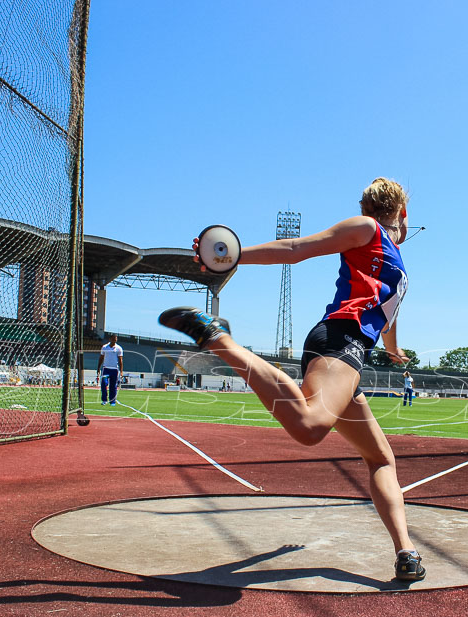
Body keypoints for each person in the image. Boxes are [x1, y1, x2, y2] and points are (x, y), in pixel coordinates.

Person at [159, 177, 425, 582]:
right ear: (402, 214)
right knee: (309, 426)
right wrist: (232, 255)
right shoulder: (367, 229)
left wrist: (393, 350)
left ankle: (406, 552)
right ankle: (219, 339)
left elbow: (387, 318)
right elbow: (295, 249)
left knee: (380, 458)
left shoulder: (396, 263)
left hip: (352, 356)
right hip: (338, 341)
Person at [98, 333, 124, 406]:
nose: (114, 340)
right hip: (106, 369)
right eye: (113, 338)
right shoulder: (104, 347)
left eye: (116, 338)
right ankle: (104, 400)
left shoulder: (119, 348)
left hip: (114, 370)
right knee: (104, 384)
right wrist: (98, 368)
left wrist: (121, 371)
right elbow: (101, 358)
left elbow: (120, 360)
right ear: (110, 339)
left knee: (113, 386)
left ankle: (112, 401)